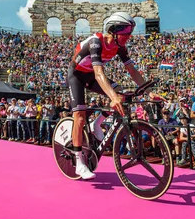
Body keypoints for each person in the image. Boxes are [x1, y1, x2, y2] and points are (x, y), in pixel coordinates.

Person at [67, 12, 157, 180]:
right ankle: (79, 163)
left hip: (92, 76)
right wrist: (112, 97)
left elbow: (132, 70)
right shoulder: (96, 42)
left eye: (130, 32)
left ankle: (97, 124)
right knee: (79, 116)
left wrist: (148, 91)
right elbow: (99, 73)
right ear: (114, 30)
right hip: (77, 76)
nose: (129, 36)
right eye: (126, 32)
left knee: (122, 94)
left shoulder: (120, 46)